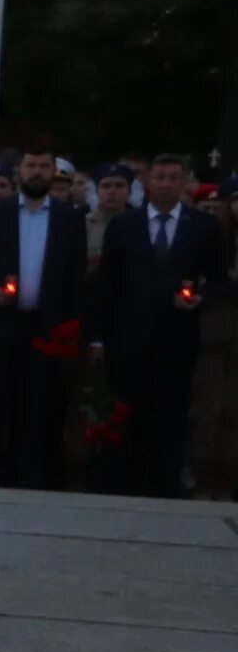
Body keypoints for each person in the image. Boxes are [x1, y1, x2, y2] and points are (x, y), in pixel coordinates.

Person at [88, 154, 230, 496]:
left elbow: (219, 280)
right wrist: (97, 338)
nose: (166, 184)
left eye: (173, 178)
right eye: (160, 177)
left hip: (177, 337)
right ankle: (117, 482)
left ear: (184, 183)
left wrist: (201, 297)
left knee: (171, 414)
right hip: (128, 336)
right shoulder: (125, 226)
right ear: (148, 182)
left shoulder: (203, 226)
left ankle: (164, 484)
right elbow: (108, 284)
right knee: (123, 412)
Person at [0, 145, 87, 488]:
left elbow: (76, 278)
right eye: (31, 165)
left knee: (37, 406)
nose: (36, 172)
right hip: (2, 325)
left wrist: (69, 327)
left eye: (43, 166)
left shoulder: (69, 219)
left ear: (53, 172)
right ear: (20, 171)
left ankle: (30, 476)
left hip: (46, 328)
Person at [85, 163, 132, 274]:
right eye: (106, 186)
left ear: (129, 192)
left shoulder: (140, 225)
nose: (112, 191)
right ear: (97, 191)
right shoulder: (83, 225)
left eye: (119, 186)